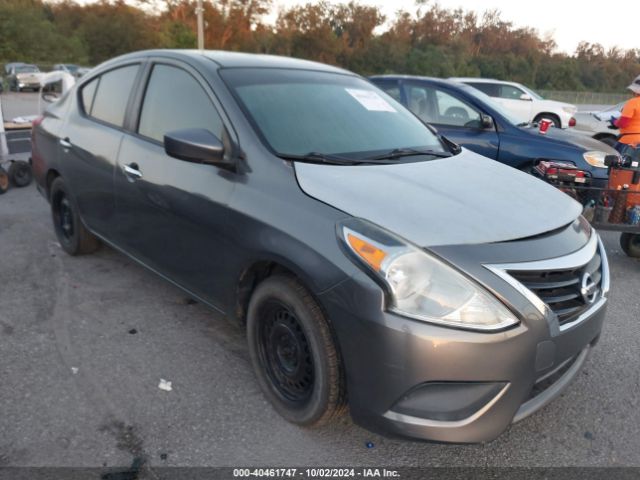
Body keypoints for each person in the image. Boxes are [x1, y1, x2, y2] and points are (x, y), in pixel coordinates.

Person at [613, 75, 640, 150]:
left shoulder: (633, 102)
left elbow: (623, 123)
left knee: (614, 158)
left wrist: (614, 122)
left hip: (629, 141)